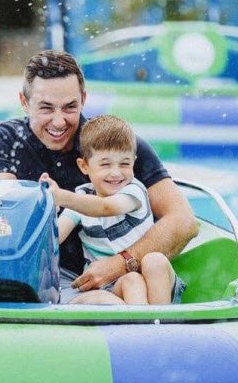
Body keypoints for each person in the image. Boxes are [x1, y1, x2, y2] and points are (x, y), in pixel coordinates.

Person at [0, 49, 198, 303]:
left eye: (70, 107)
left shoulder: (113, 146)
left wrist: (121, 263)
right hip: (16, 264)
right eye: (46, 108)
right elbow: (2, 216)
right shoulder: (7, 139)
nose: (59, 121)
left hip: (82, 281)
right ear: (24, 102)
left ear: (84, 100)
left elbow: (183, 221)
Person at [39, 114, 183, 305]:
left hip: (155, 283)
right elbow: (53, 237)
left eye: (124, 163)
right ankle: (143, 328)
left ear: (134, 162)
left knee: (154, 260)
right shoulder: (82, 199)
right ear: (84, 166)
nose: (116, 172)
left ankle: (161, 323)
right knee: (132, 281)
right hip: (113, 285)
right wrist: (47, 206)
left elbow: (106, 207)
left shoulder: (134, 192)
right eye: (106, 164)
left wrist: (62, 196)